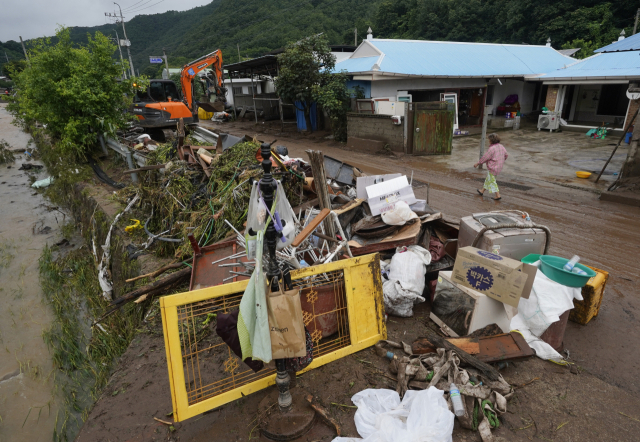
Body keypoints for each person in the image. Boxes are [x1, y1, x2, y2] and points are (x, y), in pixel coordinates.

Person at [474, 133, 508, 200]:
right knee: (489, 179)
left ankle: (498, 195)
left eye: (489, 139)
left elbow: (485, 157)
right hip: (499, 166)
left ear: (491, 140)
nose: (488, 141)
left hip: (493, 167)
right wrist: (501, 160)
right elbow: (506, 155)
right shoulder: (501, 146)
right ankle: (482, 191)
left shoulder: (491, 149)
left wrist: (478, 163)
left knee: (492, 181)